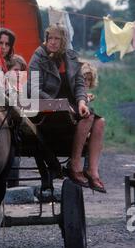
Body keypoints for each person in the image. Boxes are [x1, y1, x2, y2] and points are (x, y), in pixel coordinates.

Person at [28, 23, 106, 193]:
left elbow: (79, 84)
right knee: (88, 118)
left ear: (64, 41)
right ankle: (75, 163)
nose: (53, 42)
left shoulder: (71, 56)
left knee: (100, 122)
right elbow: (33, 90)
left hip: (71, 105)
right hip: (47, 109)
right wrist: (59, 105)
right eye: (50, 38)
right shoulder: (38, 57)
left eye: (57, 39)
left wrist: (81, 102)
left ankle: (93, 171)